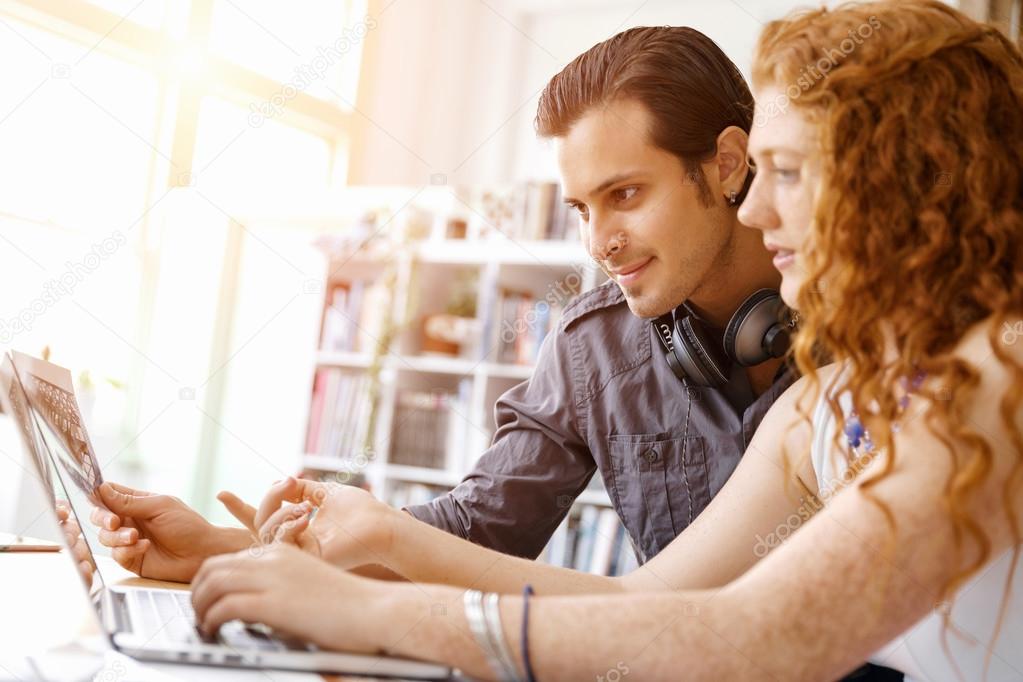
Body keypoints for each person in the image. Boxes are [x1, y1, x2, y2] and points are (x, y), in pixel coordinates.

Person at [186, 2, 1023, 680]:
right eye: (584, 207)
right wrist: (298, 552)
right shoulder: (824, 404)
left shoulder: (997, 370)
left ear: (906, 182)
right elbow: (644, 605)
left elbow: (748, 637)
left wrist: (376, 615)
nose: (760, 208)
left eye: (790, 172)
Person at [93, 28, 794, 575]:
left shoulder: (869, 327)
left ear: (726, 165)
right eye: (581, 207)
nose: (598, 242)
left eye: (626, 195)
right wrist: (227, 549)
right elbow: (476, 530)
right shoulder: (592, 348)